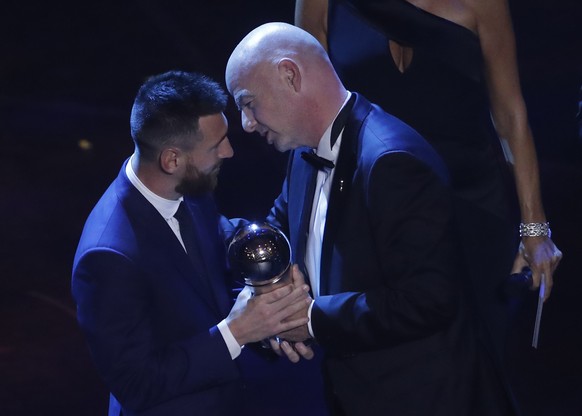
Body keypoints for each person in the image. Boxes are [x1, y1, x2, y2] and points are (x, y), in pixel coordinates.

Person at [226, 22, 515, 415]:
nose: (246, 123)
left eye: (247, 103)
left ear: (290, 75)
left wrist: (309, 321)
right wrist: (264, 303)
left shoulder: (391, 161)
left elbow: (427, 300)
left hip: (422, 398)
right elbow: (283, 238)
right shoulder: (300, 154)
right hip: (355, 392)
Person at [295, 0, 562, 394]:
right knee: (383, 365)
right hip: (370, 212)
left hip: (472, 209)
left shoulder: (484, 4)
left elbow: (510, 114)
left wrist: (535, 228)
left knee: (478, 372)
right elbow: (306, 116)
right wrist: (300, 236)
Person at [71, 70, 311, 416]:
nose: (229, 151)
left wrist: (275, 304)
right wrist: (239, 331)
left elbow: (220, 244)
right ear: (172, 160)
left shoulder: (189, 189)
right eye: (216, 145)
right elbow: (138, 384)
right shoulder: (108, 256)